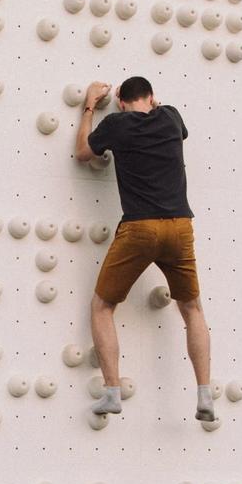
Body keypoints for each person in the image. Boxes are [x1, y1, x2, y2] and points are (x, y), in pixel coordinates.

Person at [72, 75, 217, 427]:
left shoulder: (116, 124)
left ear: (121, 100)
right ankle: (204, 394)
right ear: (151, 97)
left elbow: (82, 153)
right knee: (192, 308)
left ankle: (111, 392)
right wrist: (155, 105)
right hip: (180, 226)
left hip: (139, 227)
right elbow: (173, 125)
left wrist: (89, 106)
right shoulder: (170, 117)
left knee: (102, 307)